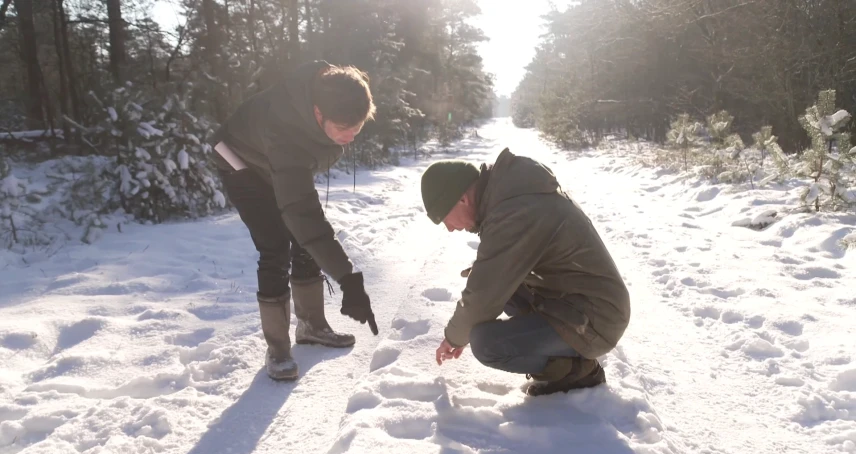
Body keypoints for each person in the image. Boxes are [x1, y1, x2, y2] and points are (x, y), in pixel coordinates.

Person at [210, 60, 377, 381]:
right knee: (274, 244)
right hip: (239, 160)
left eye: (357, 129)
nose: (350, 138)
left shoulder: (336, 92)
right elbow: (303, 213)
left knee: (303, 239)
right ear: (318, 114)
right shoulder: (285, 131)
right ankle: (277, 348)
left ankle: (311, 325)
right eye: (343, 129)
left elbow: (303, 217)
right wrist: (347, 279)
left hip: (273, 159)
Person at [420, 147, 631, 396]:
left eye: (445, 219)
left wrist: (454, 338)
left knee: (486, 343)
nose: (450, 229)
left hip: (596, 320)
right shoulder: (510, 195)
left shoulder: (514, 210)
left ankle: (576, 371)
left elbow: (483, 295)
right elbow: (494, 278)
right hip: (579, 303)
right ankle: (559, 348)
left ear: (462, 199)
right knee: (500, 288)